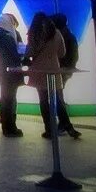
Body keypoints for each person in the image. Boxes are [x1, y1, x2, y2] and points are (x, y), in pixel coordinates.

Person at [25, 12, 69, 140]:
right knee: (56, 99)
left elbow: (30, 52)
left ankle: (49, 130)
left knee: (43, 101)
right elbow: (62, 53)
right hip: (54, 69)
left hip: (39, 70)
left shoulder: (34, 33)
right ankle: (65, 123)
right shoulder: (56, 32)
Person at [0, 13, 24, 137]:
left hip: (0, 69)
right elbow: (16, 54)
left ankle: (4, 122)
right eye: (13, 23)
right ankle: (10, 127)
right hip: (12, 71)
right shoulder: (9, 36)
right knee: (10, 98)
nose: (14, 26)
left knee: (5, 96)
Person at [50, 13, 82, 139]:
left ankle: (66, 124)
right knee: (58, 97)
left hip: (61, 71)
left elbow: (69, 56)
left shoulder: (62, 36)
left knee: (57, 97)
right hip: (63, 71)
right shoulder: (68, 35)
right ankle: (64, 124)